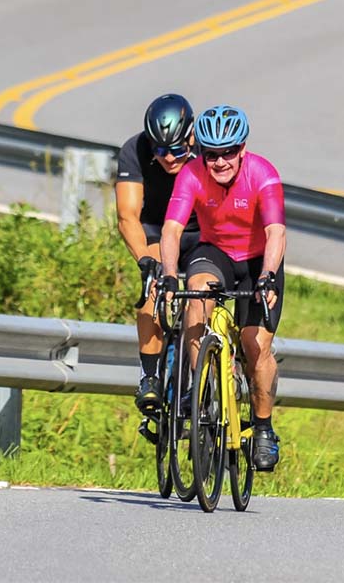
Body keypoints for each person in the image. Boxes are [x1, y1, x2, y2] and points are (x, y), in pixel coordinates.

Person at [159, 105, 287, 472]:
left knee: (255, 345)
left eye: (228, 152)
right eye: (211, 154)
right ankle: (201, 389)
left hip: (258, 260)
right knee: (196, 296)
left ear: (242, 148)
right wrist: (170, 275)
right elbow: (171, 229)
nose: (219, 162)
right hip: (215, 253)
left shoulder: (263, 174)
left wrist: (267, 276)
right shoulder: (191, 174)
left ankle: (263, 429)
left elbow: (275, 231)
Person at [114, 93, 201, 416]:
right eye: (160, 150)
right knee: (154, 290)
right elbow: (128, 216)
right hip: (156, 229)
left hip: (199, 231)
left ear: (192, 136)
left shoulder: (208, 151)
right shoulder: (134, 150)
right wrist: (144, 260)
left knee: (203, 294)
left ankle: (212, 369)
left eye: (178, 150)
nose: (168, 158)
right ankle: (150, 376)